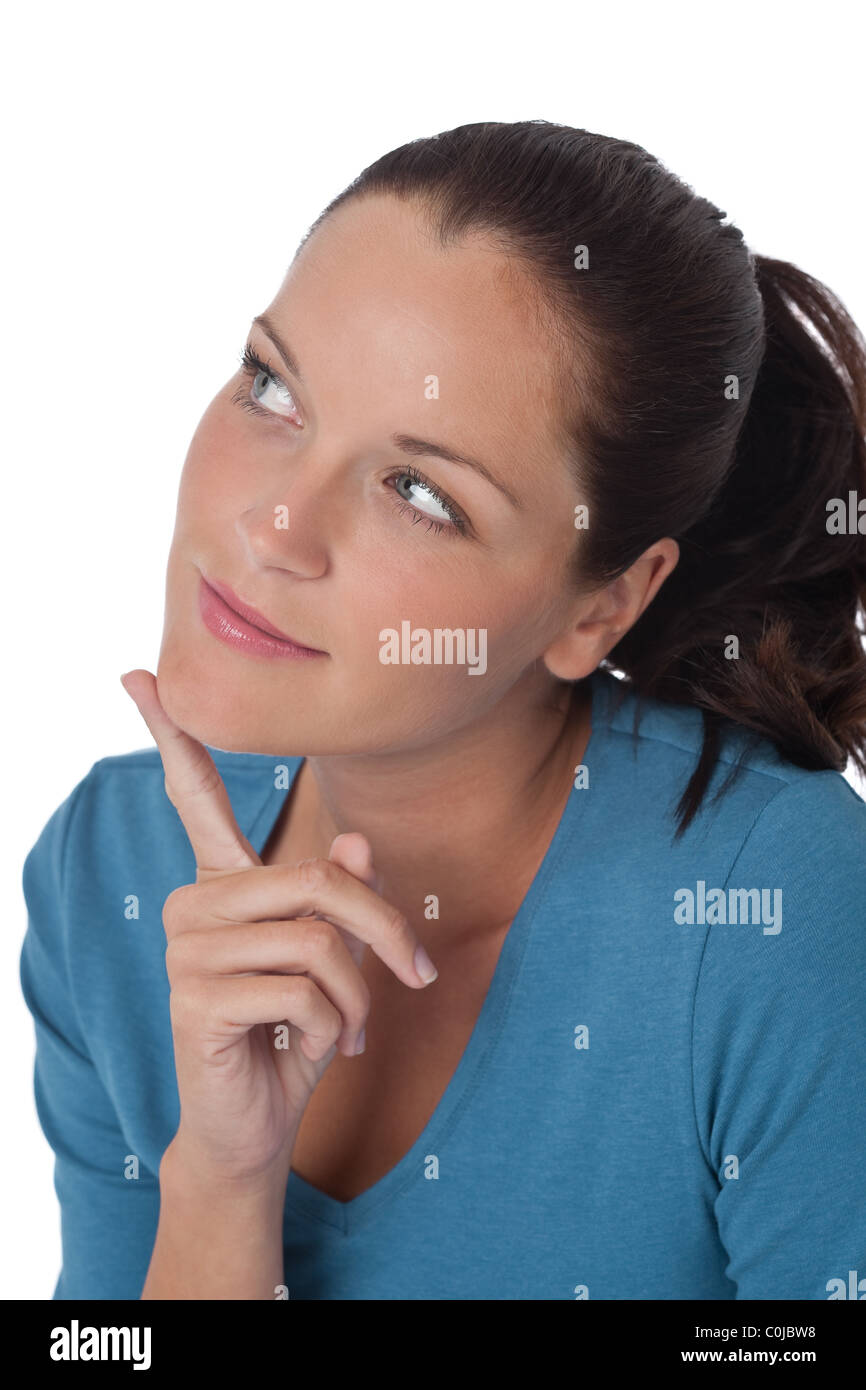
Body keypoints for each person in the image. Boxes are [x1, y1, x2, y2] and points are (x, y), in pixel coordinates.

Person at [20, 120, 866, 1301]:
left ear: (602, 607)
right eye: (273, 386)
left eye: (418, 492)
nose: (272, 526)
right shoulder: (104, 872)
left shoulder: (771, 902)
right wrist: (219, 1179)